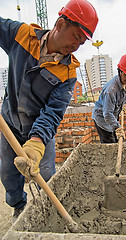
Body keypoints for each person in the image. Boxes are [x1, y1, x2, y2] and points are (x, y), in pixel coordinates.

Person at [0, 0, 98, 221]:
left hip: (39, 130)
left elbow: (53, 112)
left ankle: (49, 212)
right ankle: (19, 206)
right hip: (9, 124)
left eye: (81, 42)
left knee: (46, 174)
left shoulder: (68, 73)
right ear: (61, 24)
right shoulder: (23, 35)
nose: (76, 46)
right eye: (75, 36)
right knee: (7, 172)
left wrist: (37, 142)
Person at [92, 53, 126, 144]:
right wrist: (118, 128)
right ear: (120, 72)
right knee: (110, 144)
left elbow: (125, 94)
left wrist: (124, 104)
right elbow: (107, 114)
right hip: (103, 119)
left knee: (117, 140)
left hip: (112, 115)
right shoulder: (111, 90)